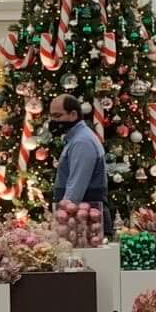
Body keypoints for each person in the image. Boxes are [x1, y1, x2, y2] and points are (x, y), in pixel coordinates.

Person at [48, 94, 107, 232]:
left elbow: (75, 187)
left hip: (85, 222)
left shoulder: (82, 142)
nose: (53, 121)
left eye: (58, 116)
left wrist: (62, 217)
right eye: (52, 116)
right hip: (83, 219)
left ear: (73, 114)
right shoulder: (76, 139)